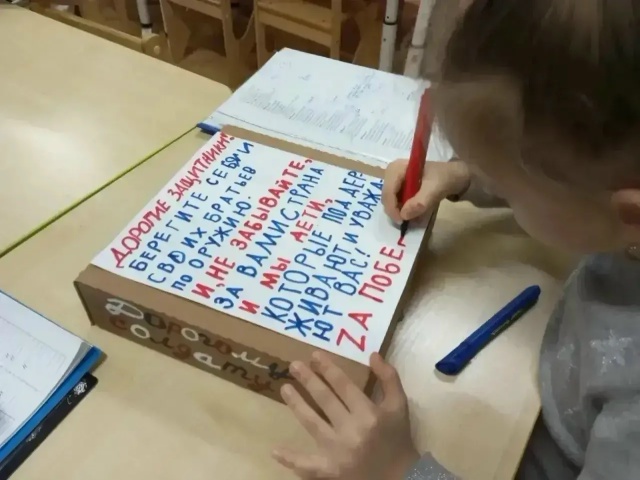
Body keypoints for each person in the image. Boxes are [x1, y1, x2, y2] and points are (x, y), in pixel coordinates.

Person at [270, 0, 640, 479]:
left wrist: (397, 469)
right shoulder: (614, 201)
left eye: (508, 186)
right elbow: (570, 192)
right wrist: (464, 176)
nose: (500, 187)